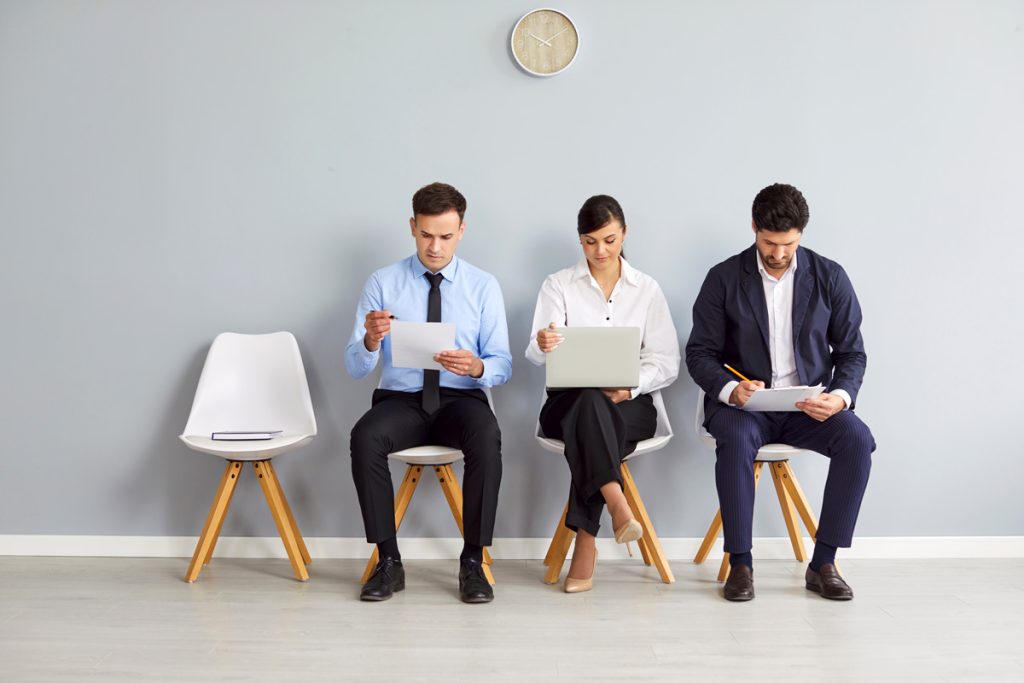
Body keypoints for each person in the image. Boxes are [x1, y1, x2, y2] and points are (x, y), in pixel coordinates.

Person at [686, 183, 875, 602]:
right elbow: (699, 353)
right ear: (753, 227)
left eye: (787, 243)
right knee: (734, 439)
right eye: (769, 243)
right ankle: (741, 563)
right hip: (744, 407)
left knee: (858, 439)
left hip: (807, 406)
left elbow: (852, 354)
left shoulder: (830, 276)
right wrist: (732, 389)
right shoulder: (723, 278)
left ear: (802, 234)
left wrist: (840, 396)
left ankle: (823, 562)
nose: (777, 253)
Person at [345, 182, 511, 604]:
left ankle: (473, 561)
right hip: (401, 401)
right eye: (426, 235)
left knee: (487, 438)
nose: (435, 247)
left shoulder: (483, 286)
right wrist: (368, 340)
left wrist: (477, 367)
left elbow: (503, 364)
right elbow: (354, 366)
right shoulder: (382, 282)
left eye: (446, 236)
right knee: (364, 437)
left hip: (461, 399)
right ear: (412, 227)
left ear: (462, 230)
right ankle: (388, 561)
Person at [525, 194, 680, 593]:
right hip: (567, 403)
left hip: (632, 404)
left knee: (593, 423)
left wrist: (630, 387)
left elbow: (666, 361)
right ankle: (616, 501)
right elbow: (534, 353)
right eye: (591, 241)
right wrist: (543, 343)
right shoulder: (558, 285)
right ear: (580, 240)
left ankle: (587, 541)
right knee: (589, 404)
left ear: (624, 234)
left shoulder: (646, 289)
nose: (601, 250)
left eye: (610, 240)